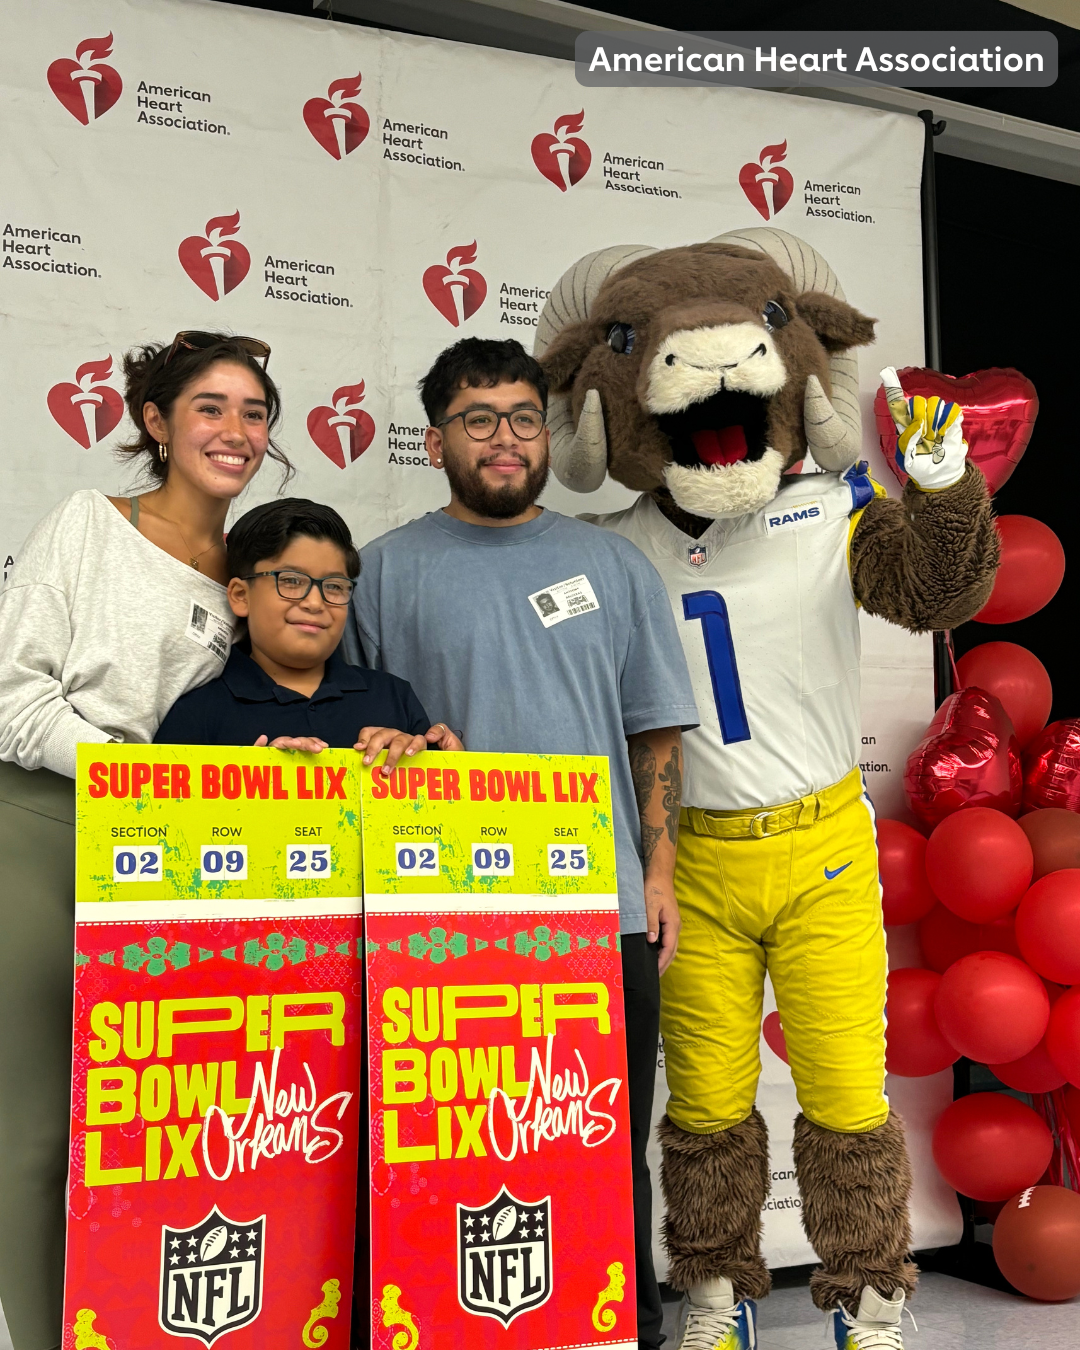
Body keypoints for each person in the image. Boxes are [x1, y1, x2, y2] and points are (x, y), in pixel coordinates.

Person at [344, 336, 700, 1350]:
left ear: (545, 434)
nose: (505, 440)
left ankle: (621, 1332)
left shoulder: (613, 566)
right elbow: (355, 744)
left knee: (599, 1147)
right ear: (435, 440)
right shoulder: (380, 574)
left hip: (602, 918)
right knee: (438, 1154)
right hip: (440, 926)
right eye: (479, 420)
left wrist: (660, 869)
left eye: (521, 418)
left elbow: (654, 729)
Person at [0, 331, 285, 1350]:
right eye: (210, 408)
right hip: (44, 827)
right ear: (158, 424)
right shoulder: (89, 522)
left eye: (253, 412)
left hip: (178, 858)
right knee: (38, 1137)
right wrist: (140, 779)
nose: (235, 431)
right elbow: (13, 698)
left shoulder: (258, 572)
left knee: (164, 1135)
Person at [155, 497, 460, 764]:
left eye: (335, 586)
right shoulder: (195, 712)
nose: (315, 602)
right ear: (240, 596)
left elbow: (442, 818)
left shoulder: (393, 697)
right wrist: (247, 787)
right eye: (290, 581)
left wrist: (422, 761)